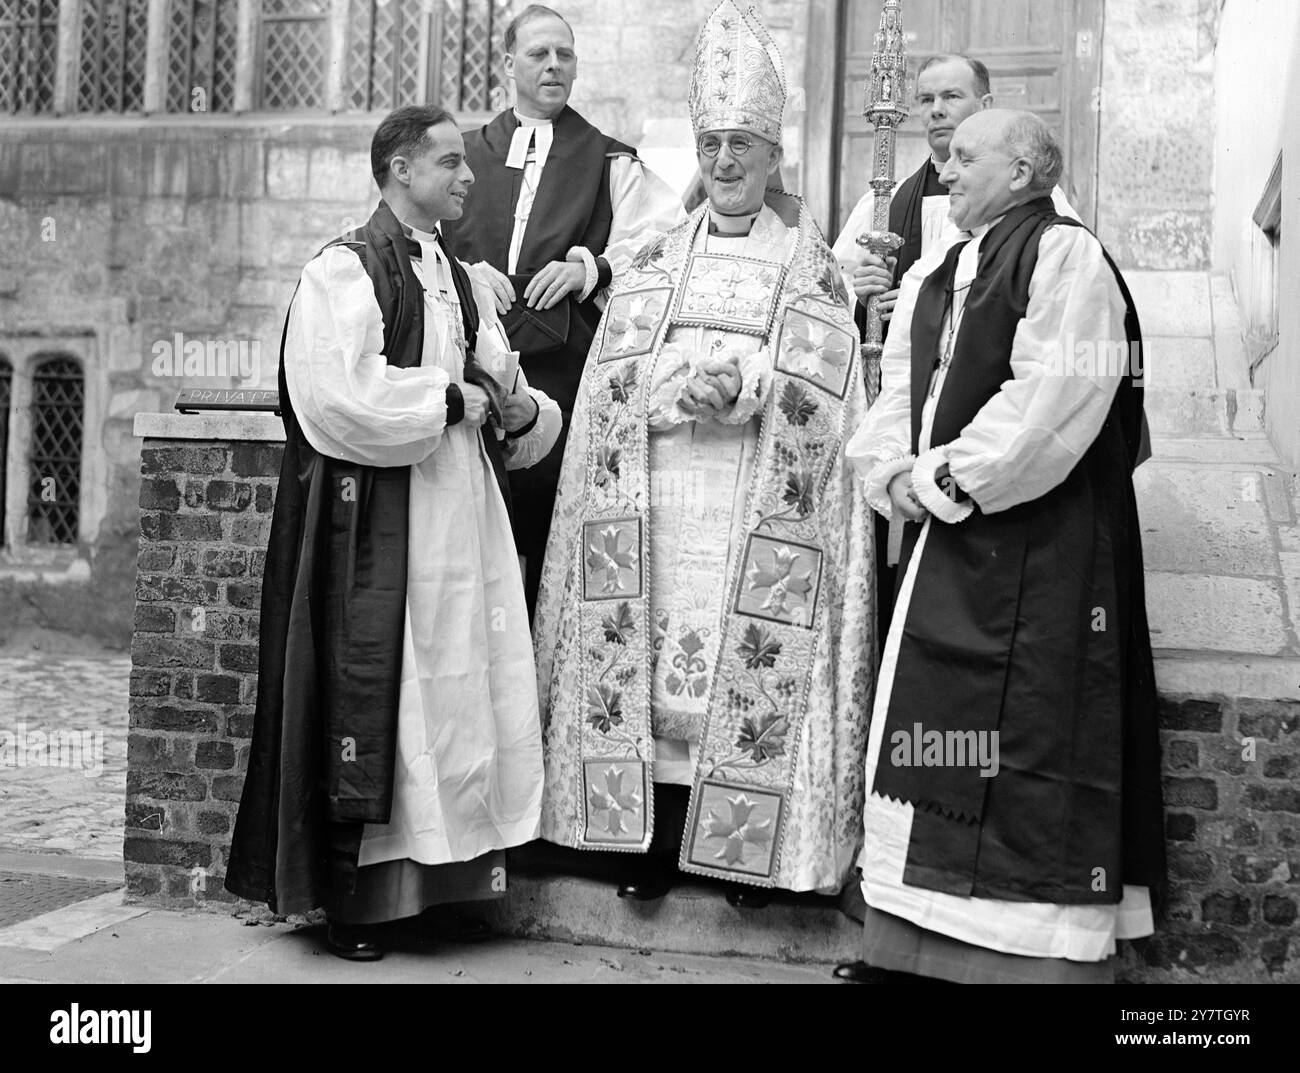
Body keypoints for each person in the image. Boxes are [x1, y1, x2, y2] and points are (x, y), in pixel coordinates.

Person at [532, 0, 874, 908]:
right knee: (644, 669)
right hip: (656, 500)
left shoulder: (811, 268)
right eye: (712, 144)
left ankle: (746, 850)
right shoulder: (651, 263)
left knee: (741, 662)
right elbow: (606, 387)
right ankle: (646, 841)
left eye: (743, 146)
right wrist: (677, 389)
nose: (725, 162)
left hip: (754, 504)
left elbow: (831, 398)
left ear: (774, 158)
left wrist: (756, 387)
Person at [224, 105, 561, 961]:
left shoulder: (462, 274)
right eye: (449, 162)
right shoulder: (344, 271)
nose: (468, 175)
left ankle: (442, 885)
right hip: (382, 520)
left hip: (462, 515)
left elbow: (503, 384)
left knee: (455, 694)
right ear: (400, 170)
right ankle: (358, 899)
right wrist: (448, 402)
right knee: (394, 693)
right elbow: (339, 398)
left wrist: (519, 407)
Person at [837, 110, 1164, 984]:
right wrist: (890, 472)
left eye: (964, 156)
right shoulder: (942, 269)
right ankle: (905, 943)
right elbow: (901, 390)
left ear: (1023, 167)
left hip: (1045, 545)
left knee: (1028, 743)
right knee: (933, 736)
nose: (944, 169)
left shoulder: (1067, 256)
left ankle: (1029, 963)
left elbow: (1057, 398)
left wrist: (943, 481)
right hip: (950, 546)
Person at [442, 3, 683, 617]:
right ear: (507, 65)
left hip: (564, 374)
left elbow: (667, 246)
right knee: (464, 535)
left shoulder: (609, 160)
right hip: (462, 372)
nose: (554, 66)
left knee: (547, 534)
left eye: (565, 55)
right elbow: (415, 241)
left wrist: (591, 268)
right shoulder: (459, 155)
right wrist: (465, 274)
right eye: (538, 54)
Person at [836, 54, 1077, 639]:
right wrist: (861, 293)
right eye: (926, 99)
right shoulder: (885, 196)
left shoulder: (1045, 218)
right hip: (905, 409)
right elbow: (830, 287)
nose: (937, 110)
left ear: (986, 108)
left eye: (952, 96)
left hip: (986, 417)